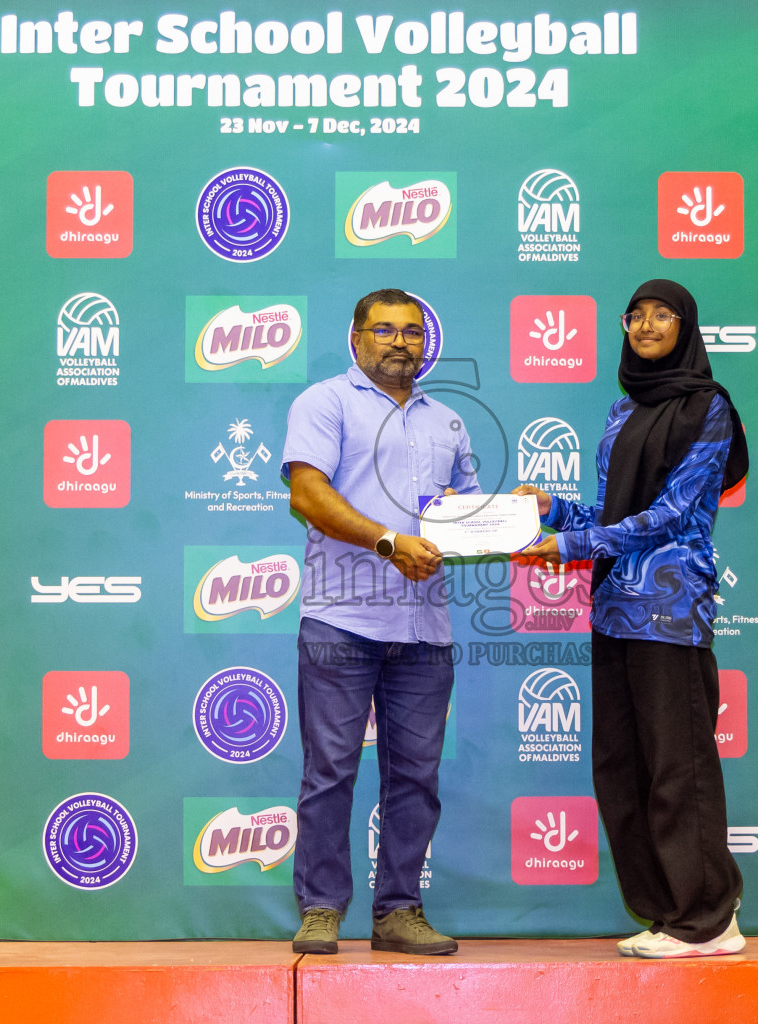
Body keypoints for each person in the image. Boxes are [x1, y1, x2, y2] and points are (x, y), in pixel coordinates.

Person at [517, 279, 749, 959]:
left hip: (671, 611)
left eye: (663, 315)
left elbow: (672, 516)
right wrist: (556, 511)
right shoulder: (623, 410)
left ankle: (709, 920)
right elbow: (615, 514)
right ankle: (664, 912)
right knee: (623, 768)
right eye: (636, 316)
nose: (647, 325)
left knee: (680, 768)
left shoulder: (707, 407)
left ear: (686, 326)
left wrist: (571, 544)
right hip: (616, 608)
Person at [281, 288, 479, 956]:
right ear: (356, 338)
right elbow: (308, 494)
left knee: (417, 778)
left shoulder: (449, 422)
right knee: (331, 770)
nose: (401, 342)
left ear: (428, 342)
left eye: (413, 332)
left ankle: (398, 910)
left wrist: (503, 518)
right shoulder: (325, 402)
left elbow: (471, 516)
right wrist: (389, 543)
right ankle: (320, 909)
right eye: (385, 330)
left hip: (425, 629)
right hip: (342, 621)